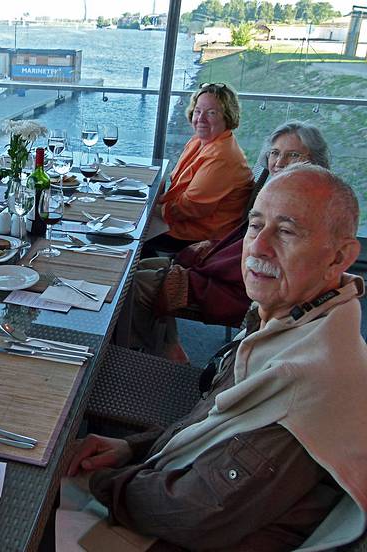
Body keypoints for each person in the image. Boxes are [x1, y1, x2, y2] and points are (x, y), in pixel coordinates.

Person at [68, 165, 366, 550]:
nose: (257, 246)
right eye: (256, 226)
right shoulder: (294, 321)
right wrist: (131, 448)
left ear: (339, 257)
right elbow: (213, 421)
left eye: (287, 231)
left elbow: (193, 514)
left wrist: (88, 483)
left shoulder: (308, 383)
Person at [130, 121, 331, 362]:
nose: (279, 162)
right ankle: (168, 347)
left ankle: (139, 354)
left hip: (245, 290)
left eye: (293, 155)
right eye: (275, 153)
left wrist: (196, 265)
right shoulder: (284, 191)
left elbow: (258, 258)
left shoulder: (299, 208)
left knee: (135, 284)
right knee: (139, 269)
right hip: (234, 271)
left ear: (313, 161)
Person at [144, 82, 253, 256]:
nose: (200, 119)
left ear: (228, 116)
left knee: (129, 234)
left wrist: (147, 209)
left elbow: (191, 207)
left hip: (200, 234)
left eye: (211, 113)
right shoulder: (201, 141)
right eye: (197, 111)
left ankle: (145, 276)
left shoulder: (221, 157)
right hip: (184, 221)